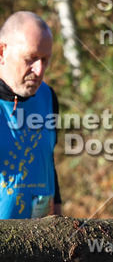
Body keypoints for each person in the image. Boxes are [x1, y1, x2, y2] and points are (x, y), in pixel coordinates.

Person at [0, 12, 62, 218]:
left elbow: (47, 160)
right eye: (31, 58)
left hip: (42, 235)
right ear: (2, 52)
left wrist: (59, 223)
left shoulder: (48, 97)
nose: (39, 70)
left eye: (45, 60)